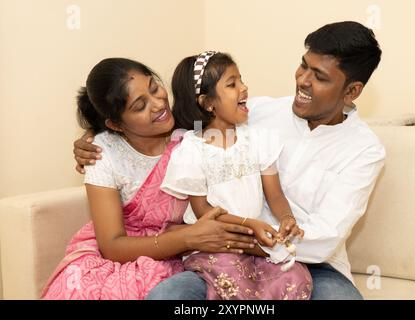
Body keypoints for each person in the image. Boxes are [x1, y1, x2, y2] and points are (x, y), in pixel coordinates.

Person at [74, 21, 385, 300]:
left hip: (310, 262)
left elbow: (323, 239)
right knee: (168, 296)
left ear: (351, 91)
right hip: (224, 253)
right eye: (303, 66)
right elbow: (185, 125)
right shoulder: (257, 112)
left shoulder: (365, 150)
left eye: (318, 76)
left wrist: (244, 237)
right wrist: (99, 138)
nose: (302, 80)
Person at [42, 58, 257, 300]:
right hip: (120, 257)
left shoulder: (190, 131)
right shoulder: (103, 152)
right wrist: (188, 237)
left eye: (154, 88)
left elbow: (231, 117)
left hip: (185, 256)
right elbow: (111, 245)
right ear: (115, 123)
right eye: (140, 106)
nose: (158, 104)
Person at [159, 51, 312, 300]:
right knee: (234, 280)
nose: (244, 87)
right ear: (207, 103)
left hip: (256, 241)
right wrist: (249, 224)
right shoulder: (191, 150)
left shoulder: (258, 139)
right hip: (217, 243)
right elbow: (203, 212)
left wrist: (286, 218)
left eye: (241, 79)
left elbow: (274, 193)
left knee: (296, 277)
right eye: (232, 84)